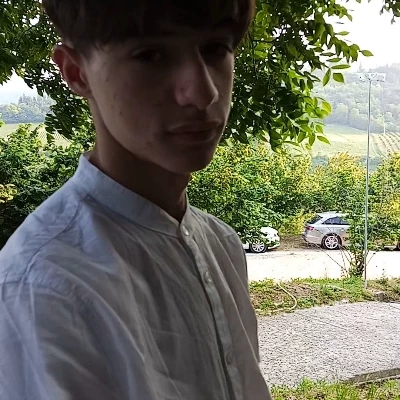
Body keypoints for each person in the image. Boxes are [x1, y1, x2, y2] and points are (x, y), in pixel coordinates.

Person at [0, 1, 271, 399]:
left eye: (215, 49)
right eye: (151, 55)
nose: (203, 92)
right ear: (76, 72)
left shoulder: (222, 244)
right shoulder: (43, 287)